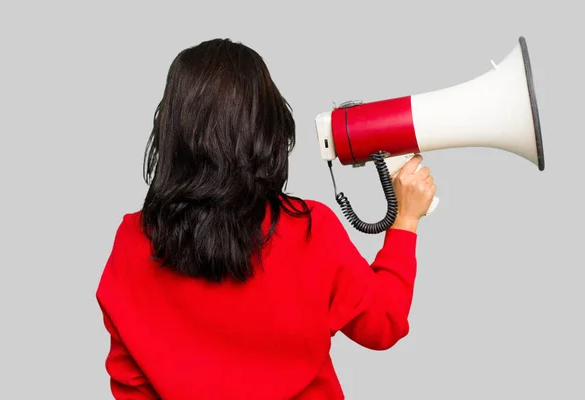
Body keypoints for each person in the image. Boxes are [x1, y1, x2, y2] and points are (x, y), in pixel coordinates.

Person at [96, 38, 437, 400]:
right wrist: (405, 221)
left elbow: (131, 385)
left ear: (172, 130)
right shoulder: (308, 229)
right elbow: (382, 324)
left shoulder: (132, 240)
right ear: (267, 128)